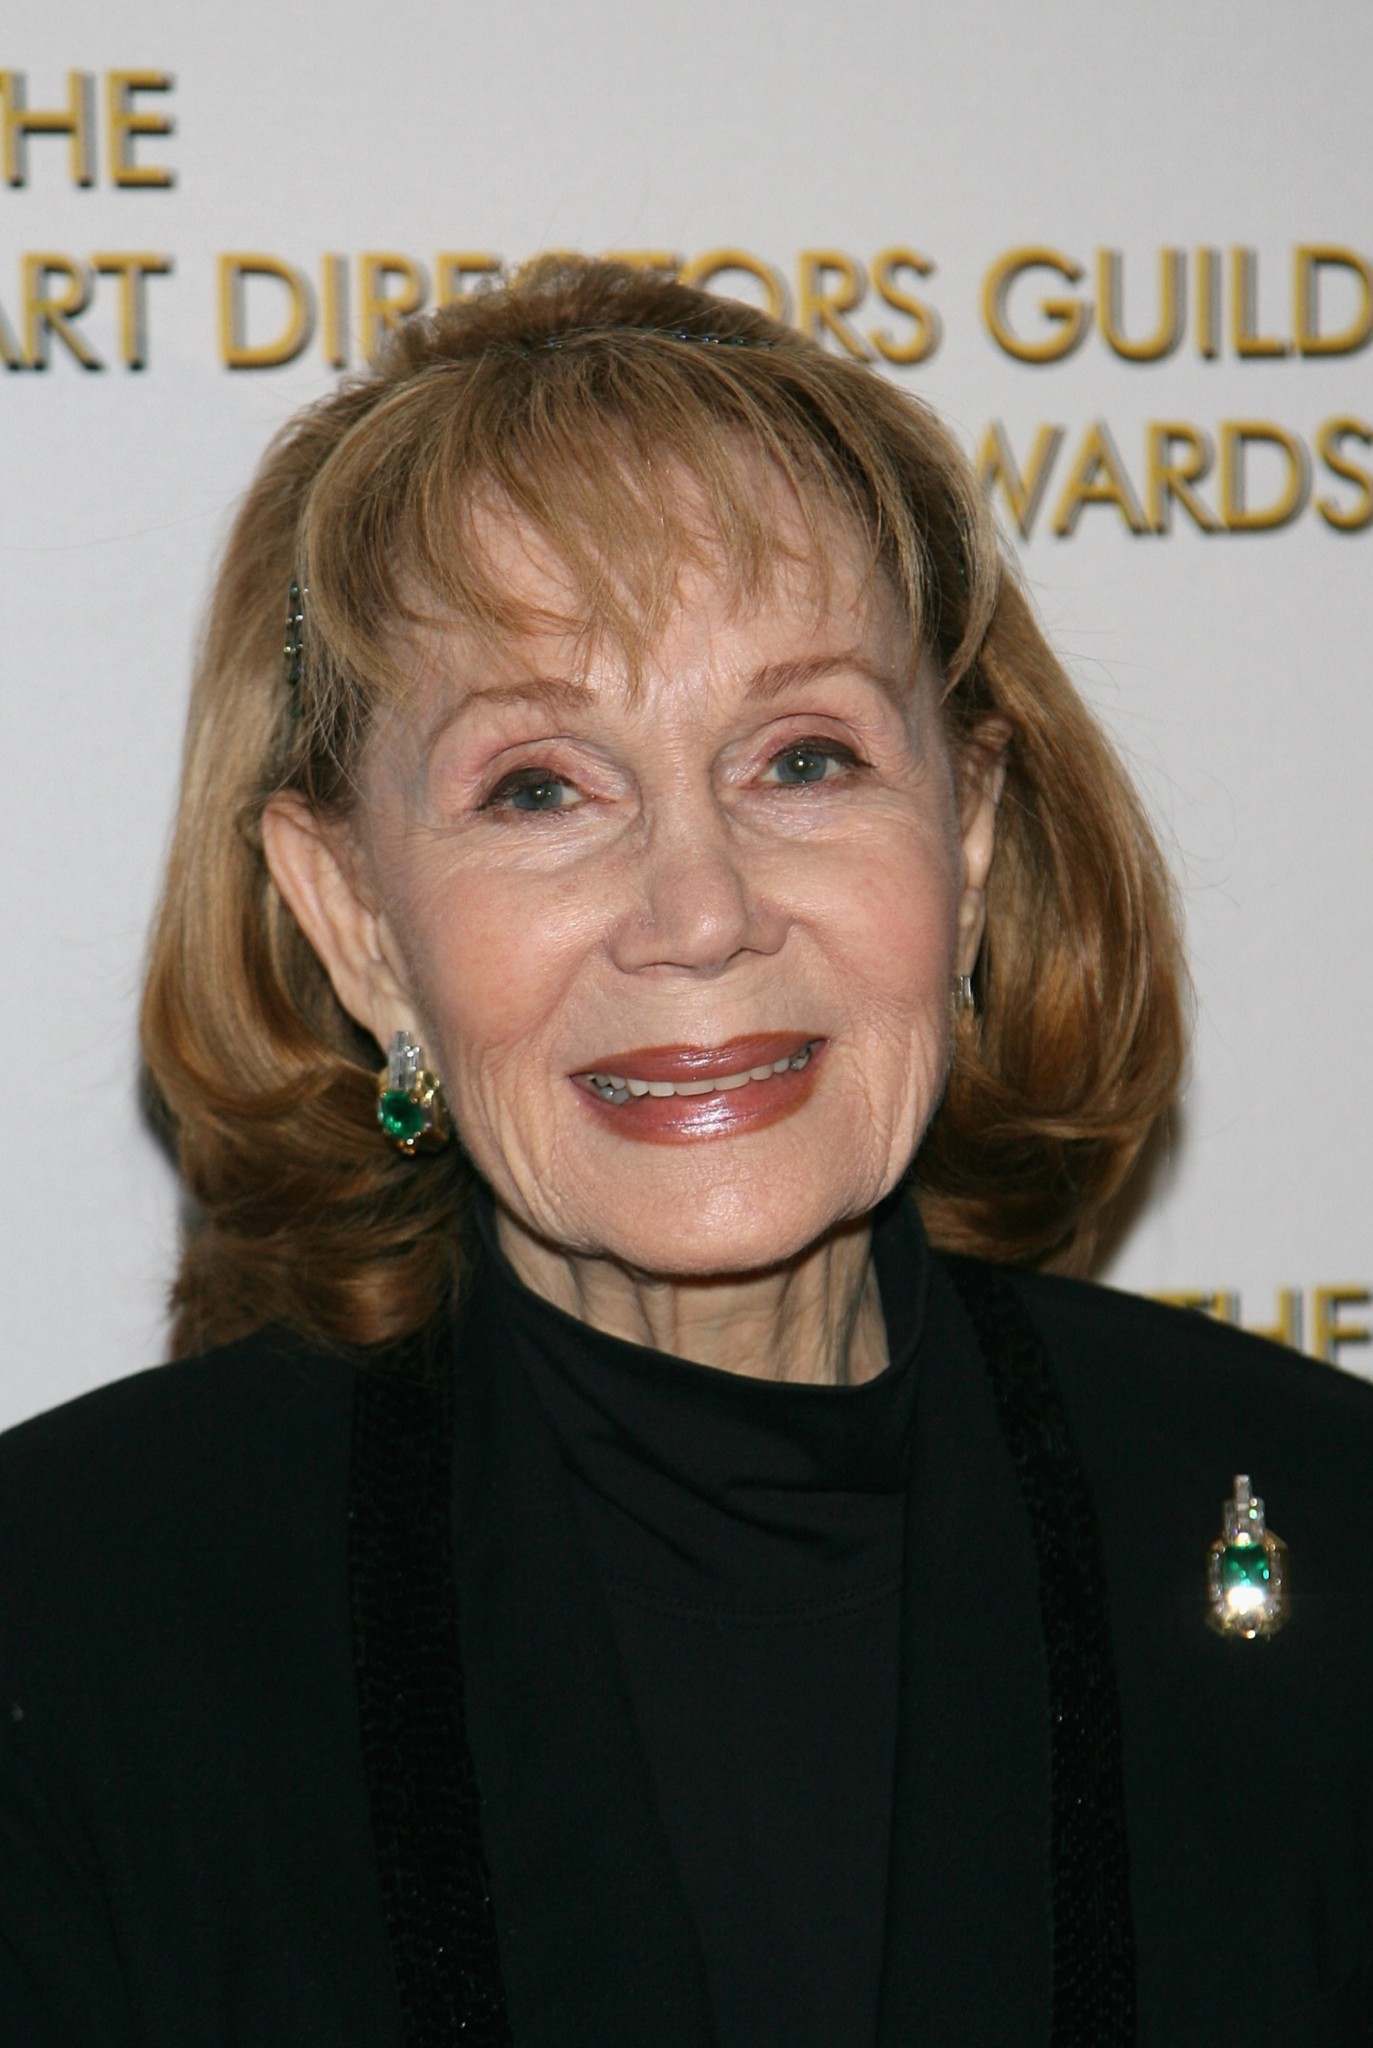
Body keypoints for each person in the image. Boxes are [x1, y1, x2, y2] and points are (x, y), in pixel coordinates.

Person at [1, 254, 1370, 2048]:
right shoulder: (66, 1621)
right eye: (538, 787)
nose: (700, 912)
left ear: (964, 842)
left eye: (801, 760)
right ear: (353, 920)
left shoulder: (1325, 1531)